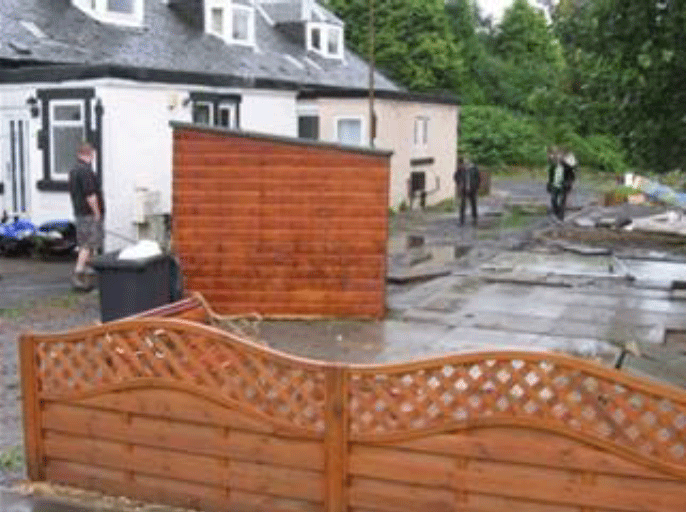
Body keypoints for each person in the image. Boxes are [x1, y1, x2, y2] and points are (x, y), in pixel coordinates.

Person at [68, 142, 104, 291]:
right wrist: (97, 213)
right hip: (88, 213)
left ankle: (89, 273)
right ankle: (78, 274)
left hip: (79, 212)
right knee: (86, 245)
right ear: (89, 154)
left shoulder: (74, 170)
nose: (93, 157)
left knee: (89, 245)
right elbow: (90, 195)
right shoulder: (86, 171)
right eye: (92, 154)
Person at [546, 146, 577, 220]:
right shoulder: (553, 167)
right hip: (555, 185)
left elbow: (572, 176)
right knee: (553, 200)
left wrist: (569, 183)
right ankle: (556, 214)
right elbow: (550, 176)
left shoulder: (567, 167)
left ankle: (560, 217)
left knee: (562, 201)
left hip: (564, 185)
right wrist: (549, 184)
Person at [454, 155, 480, 226]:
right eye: (465, 163)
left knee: (473, 204)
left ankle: (474, 218)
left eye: (467, 163)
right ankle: (461, 220)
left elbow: (478, 178)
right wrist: (459, 183)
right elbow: (456, 176)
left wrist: (476, 186)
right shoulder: (461, 169)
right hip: (464, 189)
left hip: (472, 189)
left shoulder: (474, 169)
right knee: (463, 205)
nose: (466, 164)